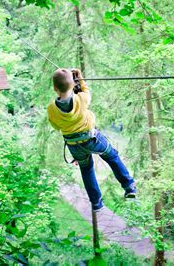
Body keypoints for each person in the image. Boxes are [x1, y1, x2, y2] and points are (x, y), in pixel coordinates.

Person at [47, 68, 136, 212]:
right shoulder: (81, 99)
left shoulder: (51, 108)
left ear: (54, 88)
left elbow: (55, 126)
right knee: (112, 155)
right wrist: (80, 78)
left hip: (73, 144)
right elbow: (86, 91)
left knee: (86, 169)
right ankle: (129, 186)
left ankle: (96, 203)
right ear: (73, 85)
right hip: (92, 139)